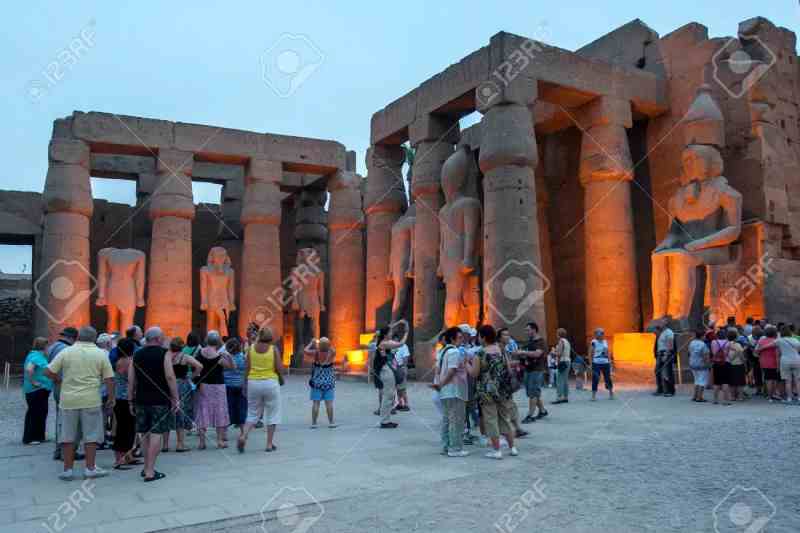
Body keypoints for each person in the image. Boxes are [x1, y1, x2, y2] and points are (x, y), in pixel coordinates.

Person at [45, 326, 114, 481]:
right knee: (91, 436)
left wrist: (59, 380)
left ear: (78, 337)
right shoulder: (100, 354)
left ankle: (68, 470)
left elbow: (48, 371)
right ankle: (90, 468)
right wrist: (111, 397)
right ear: (94, 338)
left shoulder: (66, 352)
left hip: (68, 400)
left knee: (68, 436)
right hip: (91, 400)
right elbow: (109, 378)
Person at [129, 327, 178, 482]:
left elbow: (131, 380)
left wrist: (130, 399)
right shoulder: (164, 354)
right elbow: (170, 377)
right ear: (157, 339)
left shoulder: (137, 354)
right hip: (160, 399)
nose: (164, 339)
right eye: (163, 337)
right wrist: (175, 397)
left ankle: (146, 468)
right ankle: (150, 470)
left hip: (141, 399)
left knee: (144, 434)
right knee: (156, 433)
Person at [466, 325, 518, 459]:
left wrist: (466, 363)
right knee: (504, 419)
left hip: (486, 392)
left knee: (491, 420)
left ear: (483, 337)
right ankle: (512, 448)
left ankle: (497, 450)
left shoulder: (480, 354)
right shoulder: (501, 350)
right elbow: (508, 369)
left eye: (479, 336)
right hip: (502, 390)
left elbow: (474, 373)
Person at [238, 327, 284, 453]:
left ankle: (243, 435)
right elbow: (279, 368)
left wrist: (244, 384)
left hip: (253, 383)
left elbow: (246, 368)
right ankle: (269, 444)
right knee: (273, 413)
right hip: (270, 383)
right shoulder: (273, 349)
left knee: (252, 412)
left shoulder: (251, 349)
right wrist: (281, 378)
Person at [430, 327, 468, 457]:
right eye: (459, 337)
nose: (462, 340)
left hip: (446, 391)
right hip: (454, 390)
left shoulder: (443, 352)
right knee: (456, 420)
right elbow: (451, 371)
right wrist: (441, 384)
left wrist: (439, 384)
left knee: (447, 419)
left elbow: (438, 370)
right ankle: (455, 448)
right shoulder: (454, 352)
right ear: (452, 339)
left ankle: (446, 446)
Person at [194, 331, 233, 449]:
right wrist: (229, 357)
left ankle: (202, 442)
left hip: (203, 385)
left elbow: (194, 367)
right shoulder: (219, 356)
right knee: (220, 411)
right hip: (218, 386)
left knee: (202, 410)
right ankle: (220, 441)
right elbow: (231, 368)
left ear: (206, 340)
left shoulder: (199, 353)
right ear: (218, 341)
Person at [165, 336, 203, 452]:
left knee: (167, 412)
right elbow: (200, 366)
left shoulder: (166, 357)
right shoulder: (185, 357)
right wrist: (192, 376)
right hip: (182, 384)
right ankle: (180, 444)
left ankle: (165, 445)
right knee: (181, 412)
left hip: (167, 385)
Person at [47, 327, 78, 461]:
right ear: (73, 338)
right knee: (69, 421)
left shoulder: (52, 347)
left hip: (57, 387)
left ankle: (59, 449)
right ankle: (66, 452)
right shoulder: (66, 349)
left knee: (61, 419)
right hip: (66, 388)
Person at [110, 338, 139, 469]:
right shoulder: (129, 362)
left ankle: (128, 456)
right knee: (125, 428)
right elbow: (132, 380)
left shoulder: (119, 361)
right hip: (126, 398)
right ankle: (119, 459)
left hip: (119, 397)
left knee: (126, 428)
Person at [497, 328, 528, 438]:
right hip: (501, 383)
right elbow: (501, 364)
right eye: (505, 335)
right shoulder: (498, 349)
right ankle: (507, 432)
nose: (508, 337)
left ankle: (516, 429)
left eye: (508, 335)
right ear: (499, 337)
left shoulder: (504, 349)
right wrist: (514, 363)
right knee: (506, 407)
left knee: (511, 405)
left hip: (506, 382)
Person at [515, 322, 548, 423]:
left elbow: (538, 354)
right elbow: (526, 353)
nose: (526, 332)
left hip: (536, 370)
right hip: (528, 369)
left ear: (534, 330)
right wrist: (520, 354)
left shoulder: (540, 341)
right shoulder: (530, 341)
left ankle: (530, 415)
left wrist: (523, 352)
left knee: (533, 393)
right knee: (532, 393)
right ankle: (542, 411)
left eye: (528, 330)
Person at [22, 337, 53, 444]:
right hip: (36, 391)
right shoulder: (36, 356)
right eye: (47, 345)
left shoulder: (36, 355)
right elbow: (29, 369)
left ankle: (39, 436)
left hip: (40, 391)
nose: (48, 348)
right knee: (34, 413)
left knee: (41, 413)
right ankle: (30, 438)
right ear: (43, 346)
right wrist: (34, 382)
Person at [305, 337, 337, 428]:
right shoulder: (331, 353)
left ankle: (314, 423)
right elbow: (332, 349)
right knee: (329, 403)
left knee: (316, 403)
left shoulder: (316, 353)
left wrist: (312, 343)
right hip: (329, 383)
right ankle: (331, 422)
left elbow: (305, 350)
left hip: (317, 382)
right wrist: (327, 344)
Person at [223, 337, 247, 441]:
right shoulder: (243, 357)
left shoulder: (225, 358)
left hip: (227, 386)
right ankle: (243, 432)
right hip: (240, 386)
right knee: (241, 409)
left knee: (227, 409)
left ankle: (224, 434)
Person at [755, 325, 781, 402]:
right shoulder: (776, 341)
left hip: (764, 362)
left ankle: (769, 397)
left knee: (767, 379)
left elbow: (756, 352)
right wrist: (778, 365)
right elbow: (777, 354)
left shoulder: (761, 341)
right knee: (774, 379)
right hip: (774, 362)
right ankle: (773, 394)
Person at [776, 325, 800, 403]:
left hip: (785, 361)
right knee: (797, 380)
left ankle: (789, 398)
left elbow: (770, 344)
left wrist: (759, 348)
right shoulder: (795, 340)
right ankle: (799, 397)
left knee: (788, 381)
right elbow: (798, 350)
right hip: (796, 360)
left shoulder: (780, 340)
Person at [589, 328, 614, 401]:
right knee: (595, 378)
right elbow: (591, 352)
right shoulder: (594, 341)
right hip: (596, 363)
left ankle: (611, 393)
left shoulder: (605, 342)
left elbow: (607, 352)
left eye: (602, 333)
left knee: (608, 378)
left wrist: (610, 361)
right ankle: (593, 396)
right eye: (599, 333)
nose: (601, 335)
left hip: (605, 363)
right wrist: (590, 363)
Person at [391, 325, 412, 411]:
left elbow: (405, 358)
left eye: (396, 340)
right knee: (394, 388)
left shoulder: (403, 346)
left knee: (402, 388)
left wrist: (403, 368)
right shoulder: (390, 346)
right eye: (393, 340)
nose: (395, 342)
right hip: (393, 369)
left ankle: (406, 404)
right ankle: (399, 403)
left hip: (400, 368)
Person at [688, 330, 711, 402]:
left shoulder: (691, 343)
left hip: (693, 364)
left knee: (696, 381)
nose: (705, 337)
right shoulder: (703, 345)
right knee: (702, 381)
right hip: (701, 365)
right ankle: (699, 397)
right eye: (704, 336)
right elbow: (705, 356)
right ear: (702, 336)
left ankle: (695, 396)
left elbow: (689, 353)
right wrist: (708, 364)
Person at [654, 324, 676, 397]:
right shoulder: (662, 332)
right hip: (660, 354)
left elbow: (670, 345)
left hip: (665, 353)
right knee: (658, 371)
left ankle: (670, 390)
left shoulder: (669, 332)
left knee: (667, 373)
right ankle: (661, 389)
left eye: (662, 322)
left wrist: (666, 354)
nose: (660, 323)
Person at [710, 330, 731, 405]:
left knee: (716, 382)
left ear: (717, 335)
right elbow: (727, 353)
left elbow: (713, 352)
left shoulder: (713, 342)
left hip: (716, 363)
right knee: (725, 382)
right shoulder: (728, 343)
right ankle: (726, 400)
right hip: (725, 363)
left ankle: (715, 400)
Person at [726, 328, 747, 401]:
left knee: (732, 382)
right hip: (738, 364)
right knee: (740, 382)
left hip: (729, 364)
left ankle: (732, 396)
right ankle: (740, 396)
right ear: (735, 337)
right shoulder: (737, 344)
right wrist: (744, 361)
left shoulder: (726, 344)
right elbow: (741, 355)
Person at [552, 328, 571, 404]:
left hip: (562, 361)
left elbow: (559, 354)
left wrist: (553, 352)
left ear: (558, 334)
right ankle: (565, 397)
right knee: (565, 380)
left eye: (556, 333)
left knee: (559, 380)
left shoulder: (561, 341)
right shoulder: (567, 341)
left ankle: (559, 397)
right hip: (568, 361)